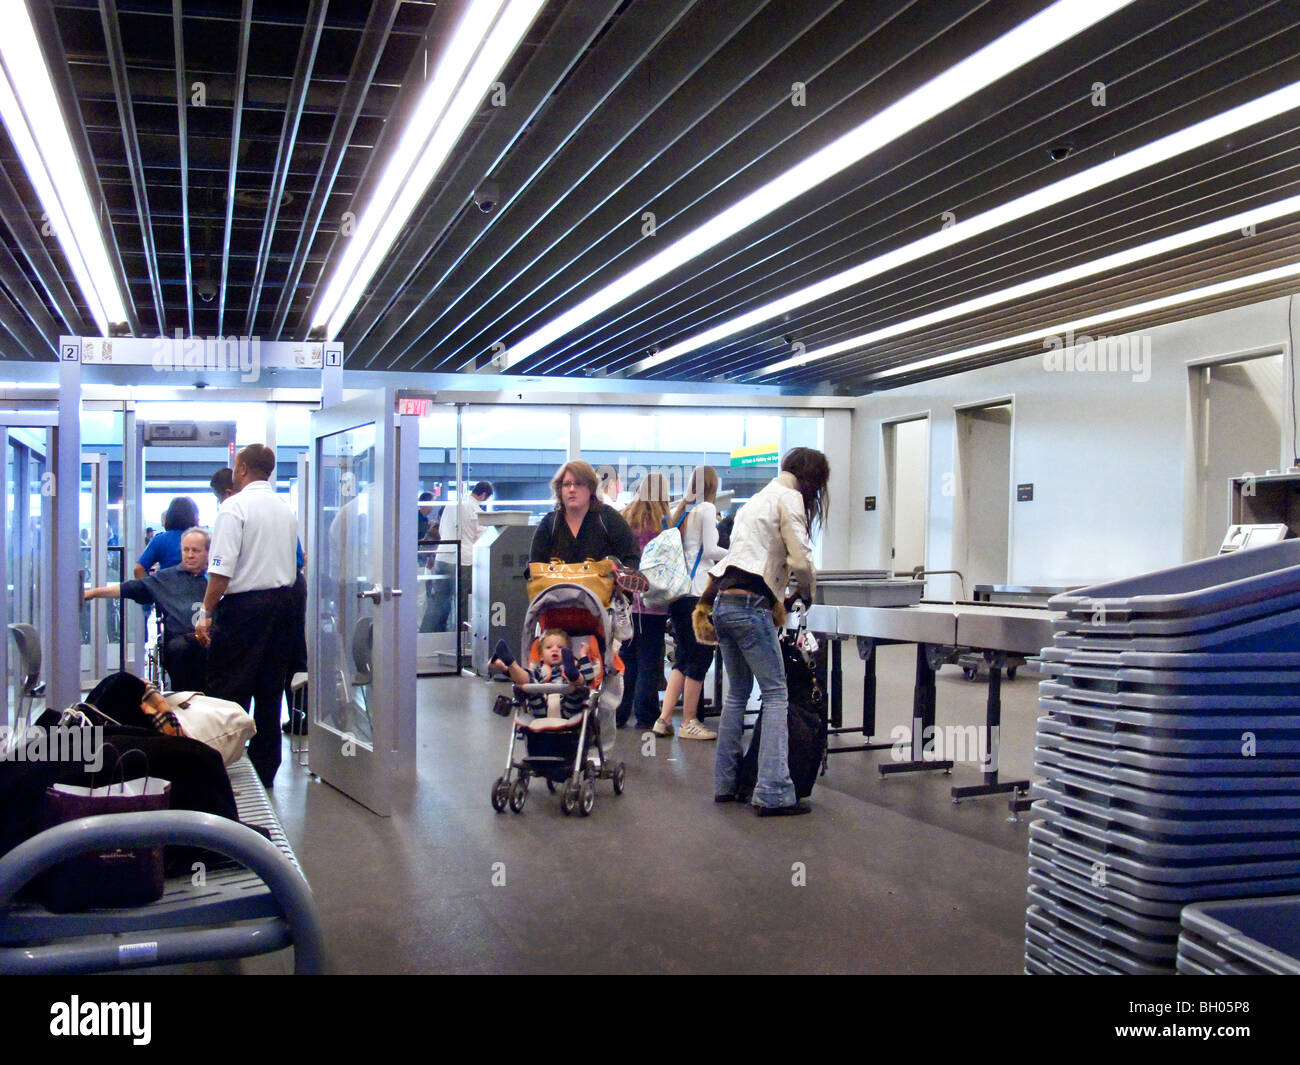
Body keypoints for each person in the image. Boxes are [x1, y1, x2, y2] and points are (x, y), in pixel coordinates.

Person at [709, 447, 829, 817]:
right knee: (776, 694)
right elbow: (800, 558)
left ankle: (726, 785)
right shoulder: (789, 498)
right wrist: (807, 591)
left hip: (722, 603)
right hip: (750, 607)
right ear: (812, 479)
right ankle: (774, 792)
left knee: (736, 695)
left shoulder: (755, 500)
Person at [194, 444, 299, 787]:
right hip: (284, 605)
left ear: (241, 469)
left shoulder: (233, 508)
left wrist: (204, 613)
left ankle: (228, 772)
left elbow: (221, 573)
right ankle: (265, 771)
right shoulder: (285, 510)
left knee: (230, 690)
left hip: (245, 609)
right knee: (270, 691)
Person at [85, 527, 211, 692]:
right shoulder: (166, 578)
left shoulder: (215, 579)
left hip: (212, 640)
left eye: (195, 550)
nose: (190, 555)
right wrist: (93, 593)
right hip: (181, 643)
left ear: (208, 552)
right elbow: (128, 588)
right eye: (186, 550)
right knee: (181, 650)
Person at [654, 466, 726, 740]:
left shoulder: (682, 511)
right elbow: (710, 550)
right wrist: (737, 554)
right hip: (697, 595)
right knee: (700, 655)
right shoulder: (706, 509)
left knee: (683, 657)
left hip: (677, 594)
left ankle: (663, 719)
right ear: (712, 485)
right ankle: (688, 723)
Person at [616, 473, 673, 731]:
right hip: (654, 602)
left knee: (627, 657)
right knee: (651, 659)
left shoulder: (626, 517)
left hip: (628, 601)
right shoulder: (664, 524)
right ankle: (645, 716)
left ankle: (619, 711)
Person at [529, 460, 639, 569]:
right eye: (567, 484)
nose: (572, 489)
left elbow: (632, 559)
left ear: (591, 488)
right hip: (558, 587)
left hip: (602, 586)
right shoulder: (549, 524)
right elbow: (533, 568)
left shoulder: (609, 518)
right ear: (560, 490)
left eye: (579, 484)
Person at [428, 480, 494, 633]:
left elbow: (442, 529)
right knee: (463, 603)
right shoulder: (476, 510)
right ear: (484, 495)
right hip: (463, 561)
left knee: (437, 603)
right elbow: (482, 538)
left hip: (442, 556)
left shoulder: (452, 504)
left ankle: (431, 636)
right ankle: (461, 639)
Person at [489, 630, 596, 718]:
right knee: (529, 682)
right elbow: (520, 678)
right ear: (541, 656)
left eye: (560, 648)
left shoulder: (576, 665)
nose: (555, 649)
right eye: (549, 648)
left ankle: (573, 675)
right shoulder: (540, 670)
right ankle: (512, 664)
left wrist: (583, 656)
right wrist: (504, 667)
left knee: (580, 684)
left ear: (569, 653)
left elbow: (590, 678)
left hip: (569, 709)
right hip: (542, 709)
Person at [134, 496, 199, 577]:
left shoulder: (160, 540)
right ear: (193, 516)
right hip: (196, 587)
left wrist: (147, 588)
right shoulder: (201, 540)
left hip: (166, 586)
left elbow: (138, 569)